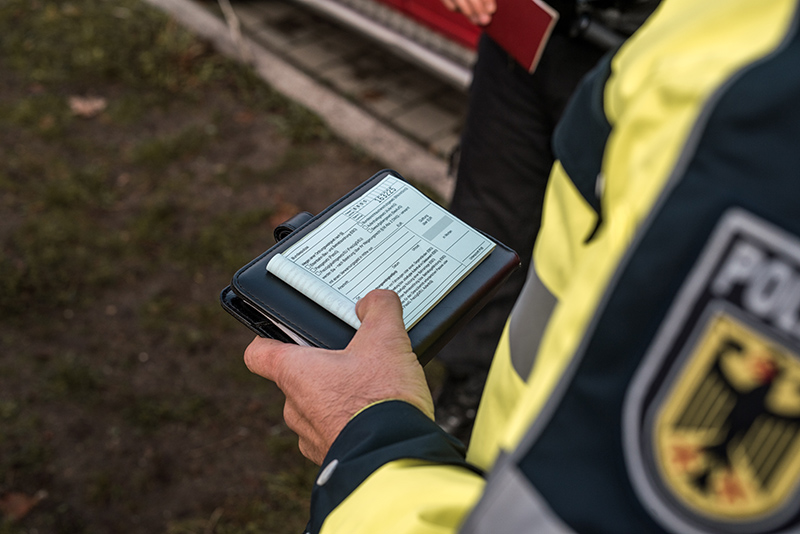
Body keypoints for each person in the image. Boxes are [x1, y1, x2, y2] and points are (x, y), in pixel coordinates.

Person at [244, 0, 800, 531]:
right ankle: (469, 396)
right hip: (535, 43)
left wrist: (369, 445)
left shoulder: (757, 109)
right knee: (488, 237)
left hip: (521, 470)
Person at [431, 0, 659, 442]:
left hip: (653, 59)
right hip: (528, 38)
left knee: (621, 261)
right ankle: (467, 396)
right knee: (487, 226)